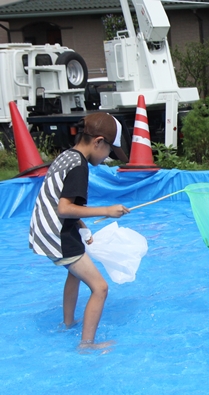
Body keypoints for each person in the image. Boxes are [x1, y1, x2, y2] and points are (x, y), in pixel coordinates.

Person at [29, 112, 130, 350]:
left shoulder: (67, 156)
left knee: (74, 273)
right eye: (109, 152)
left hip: (44, 228)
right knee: (100, 287)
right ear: (98, 142)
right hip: (58, 234)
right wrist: (106, 210)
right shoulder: (79, 166)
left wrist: (81, 225)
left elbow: (58, 199)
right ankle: (87, 343)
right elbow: (64, 208)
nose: (107, 158)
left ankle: (67, 322)